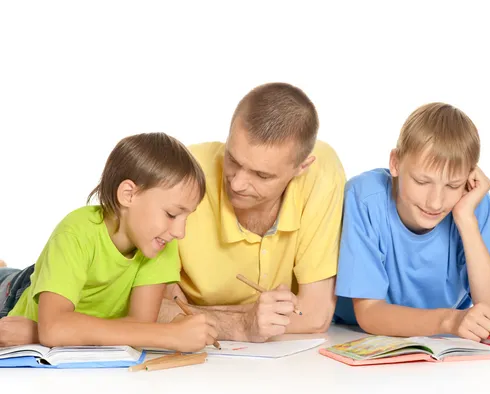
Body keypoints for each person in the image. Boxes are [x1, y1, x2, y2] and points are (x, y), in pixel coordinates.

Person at [159, 83, 346, 342]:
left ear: (301, 166)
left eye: (261, 175)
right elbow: (152, 310)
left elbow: (315, 317)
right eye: (233, 160)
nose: (236, 183)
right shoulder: (185, 171)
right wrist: (242, 324)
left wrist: (196, 313)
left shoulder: (321, 171)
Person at [0, 132, 218, 351]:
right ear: (128, 194)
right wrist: (169, 334)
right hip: (14, 298)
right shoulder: (76, 231)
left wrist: (40, 332)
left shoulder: (160, 244)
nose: (180, 232)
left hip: (53, 297)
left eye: (186, 217)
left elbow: (141, 327)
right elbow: (55, 328)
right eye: (171, 214)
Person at [333, 102, 490, 342]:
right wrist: (449, 321)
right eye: (422, 182)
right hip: (352, 336)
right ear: (395, 163)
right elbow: (369, 314)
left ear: (468, 180)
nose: (435, 203)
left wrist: (466, 220)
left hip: (440, 343)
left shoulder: (473, 204)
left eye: (453, 185)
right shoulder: (365, 197)